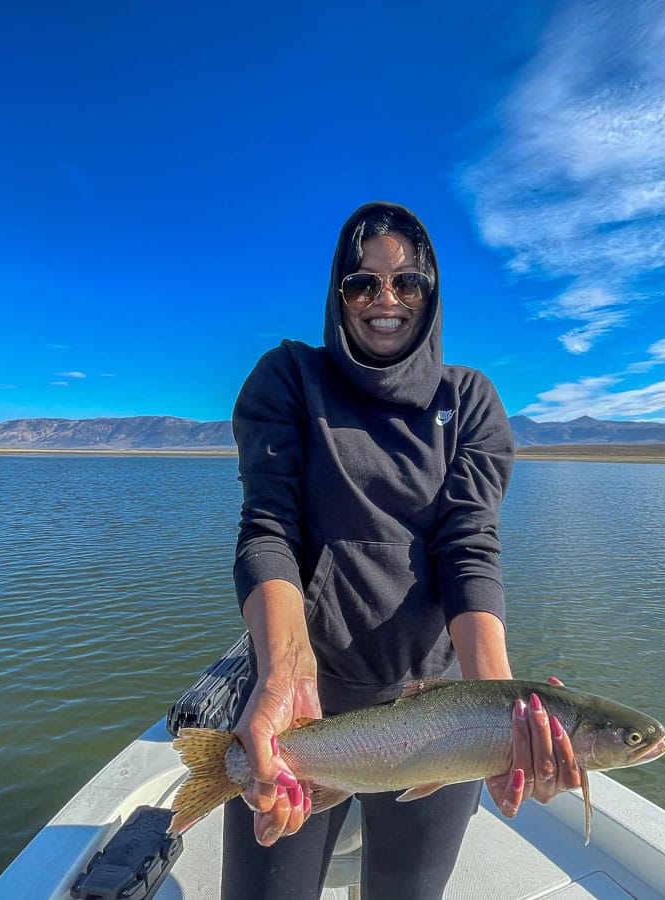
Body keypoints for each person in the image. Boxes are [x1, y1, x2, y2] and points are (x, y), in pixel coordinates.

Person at [224, 201, 581, 899]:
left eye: (407, 283)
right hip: (303, 700)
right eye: (363, 284)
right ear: (339, 294)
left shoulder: (470, 400)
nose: (385, 301)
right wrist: (285, 675)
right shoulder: (289, 379)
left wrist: (499, 705)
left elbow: (468, 546)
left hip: (442, 716)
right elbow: (269, 530)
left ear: (431, 293)